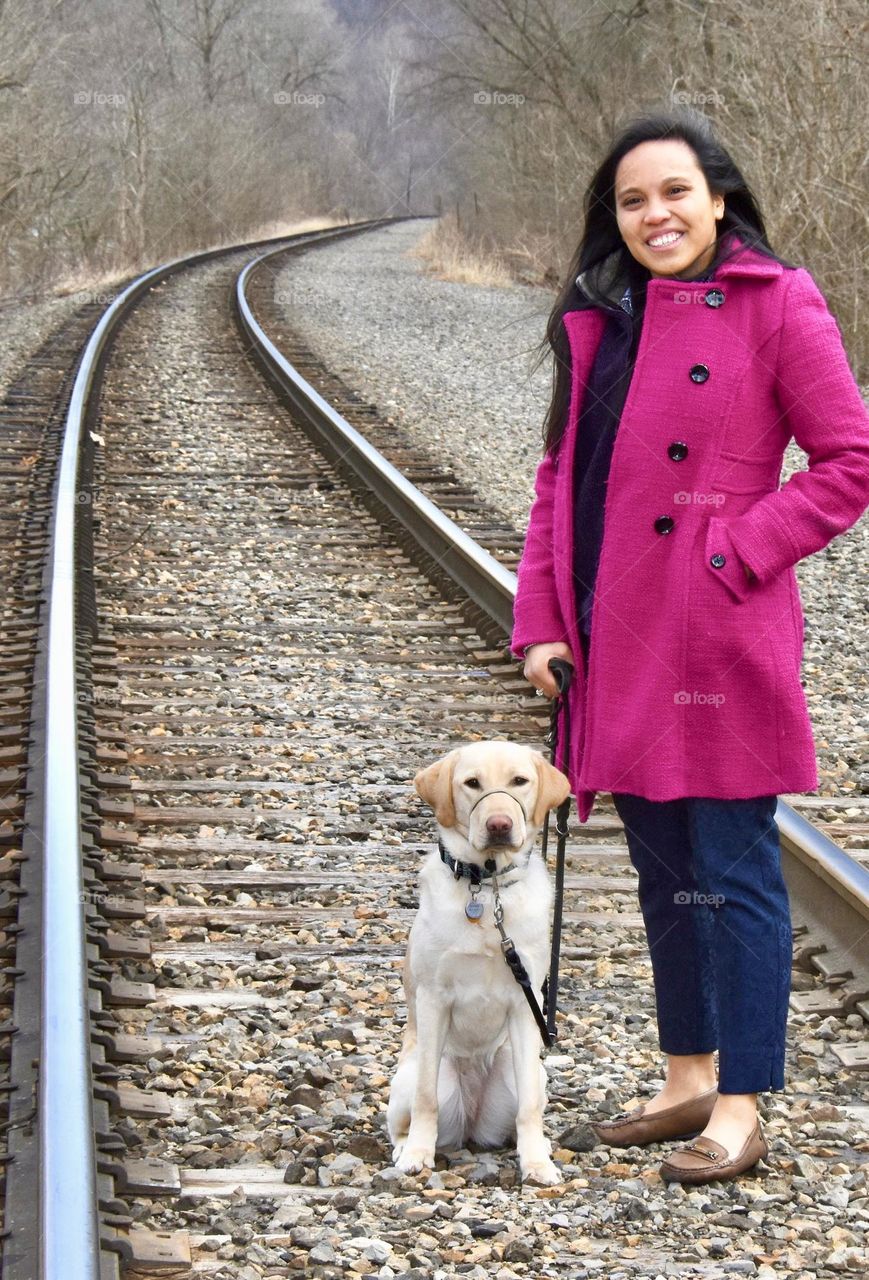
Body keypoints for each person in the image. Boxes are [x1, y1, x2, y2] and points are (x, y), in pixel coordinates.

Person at [511, 107, 869, 1185]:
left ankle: (742, 1099)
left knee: (730, 867)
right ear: (610, 220)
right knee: (664, 869)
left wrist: (728, 553)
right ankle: (684, 1076)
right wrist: (537, 619)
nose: (653, 214)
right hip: (611, 628)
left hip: (713, 632)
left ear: (718, 197)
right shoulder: (596, 319)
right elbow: (554, 483)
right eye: (630, 200)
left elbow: (847, 461)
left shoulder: (776, 302)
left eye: (673, 191)